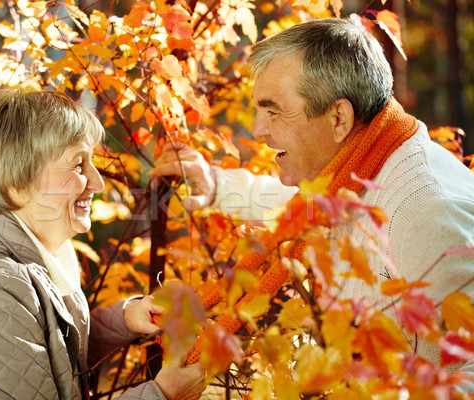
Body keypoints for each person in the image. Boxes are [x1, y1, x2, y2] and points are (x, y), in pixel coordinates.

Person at [149, 17, 474, 387]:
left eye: (273, 110)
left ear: (338, 117)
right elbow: (301, 205)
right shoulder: (365, 165)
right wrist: (216, 186)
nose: (257, 129)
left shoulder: (425, 211)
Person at [0, 88, 206, 400]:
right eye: (77, 164)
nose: (98, 182)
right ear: (15, 183)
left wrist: (126, 319)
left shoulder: (33, 260)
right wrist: (163, 395)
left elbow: (45, 358)